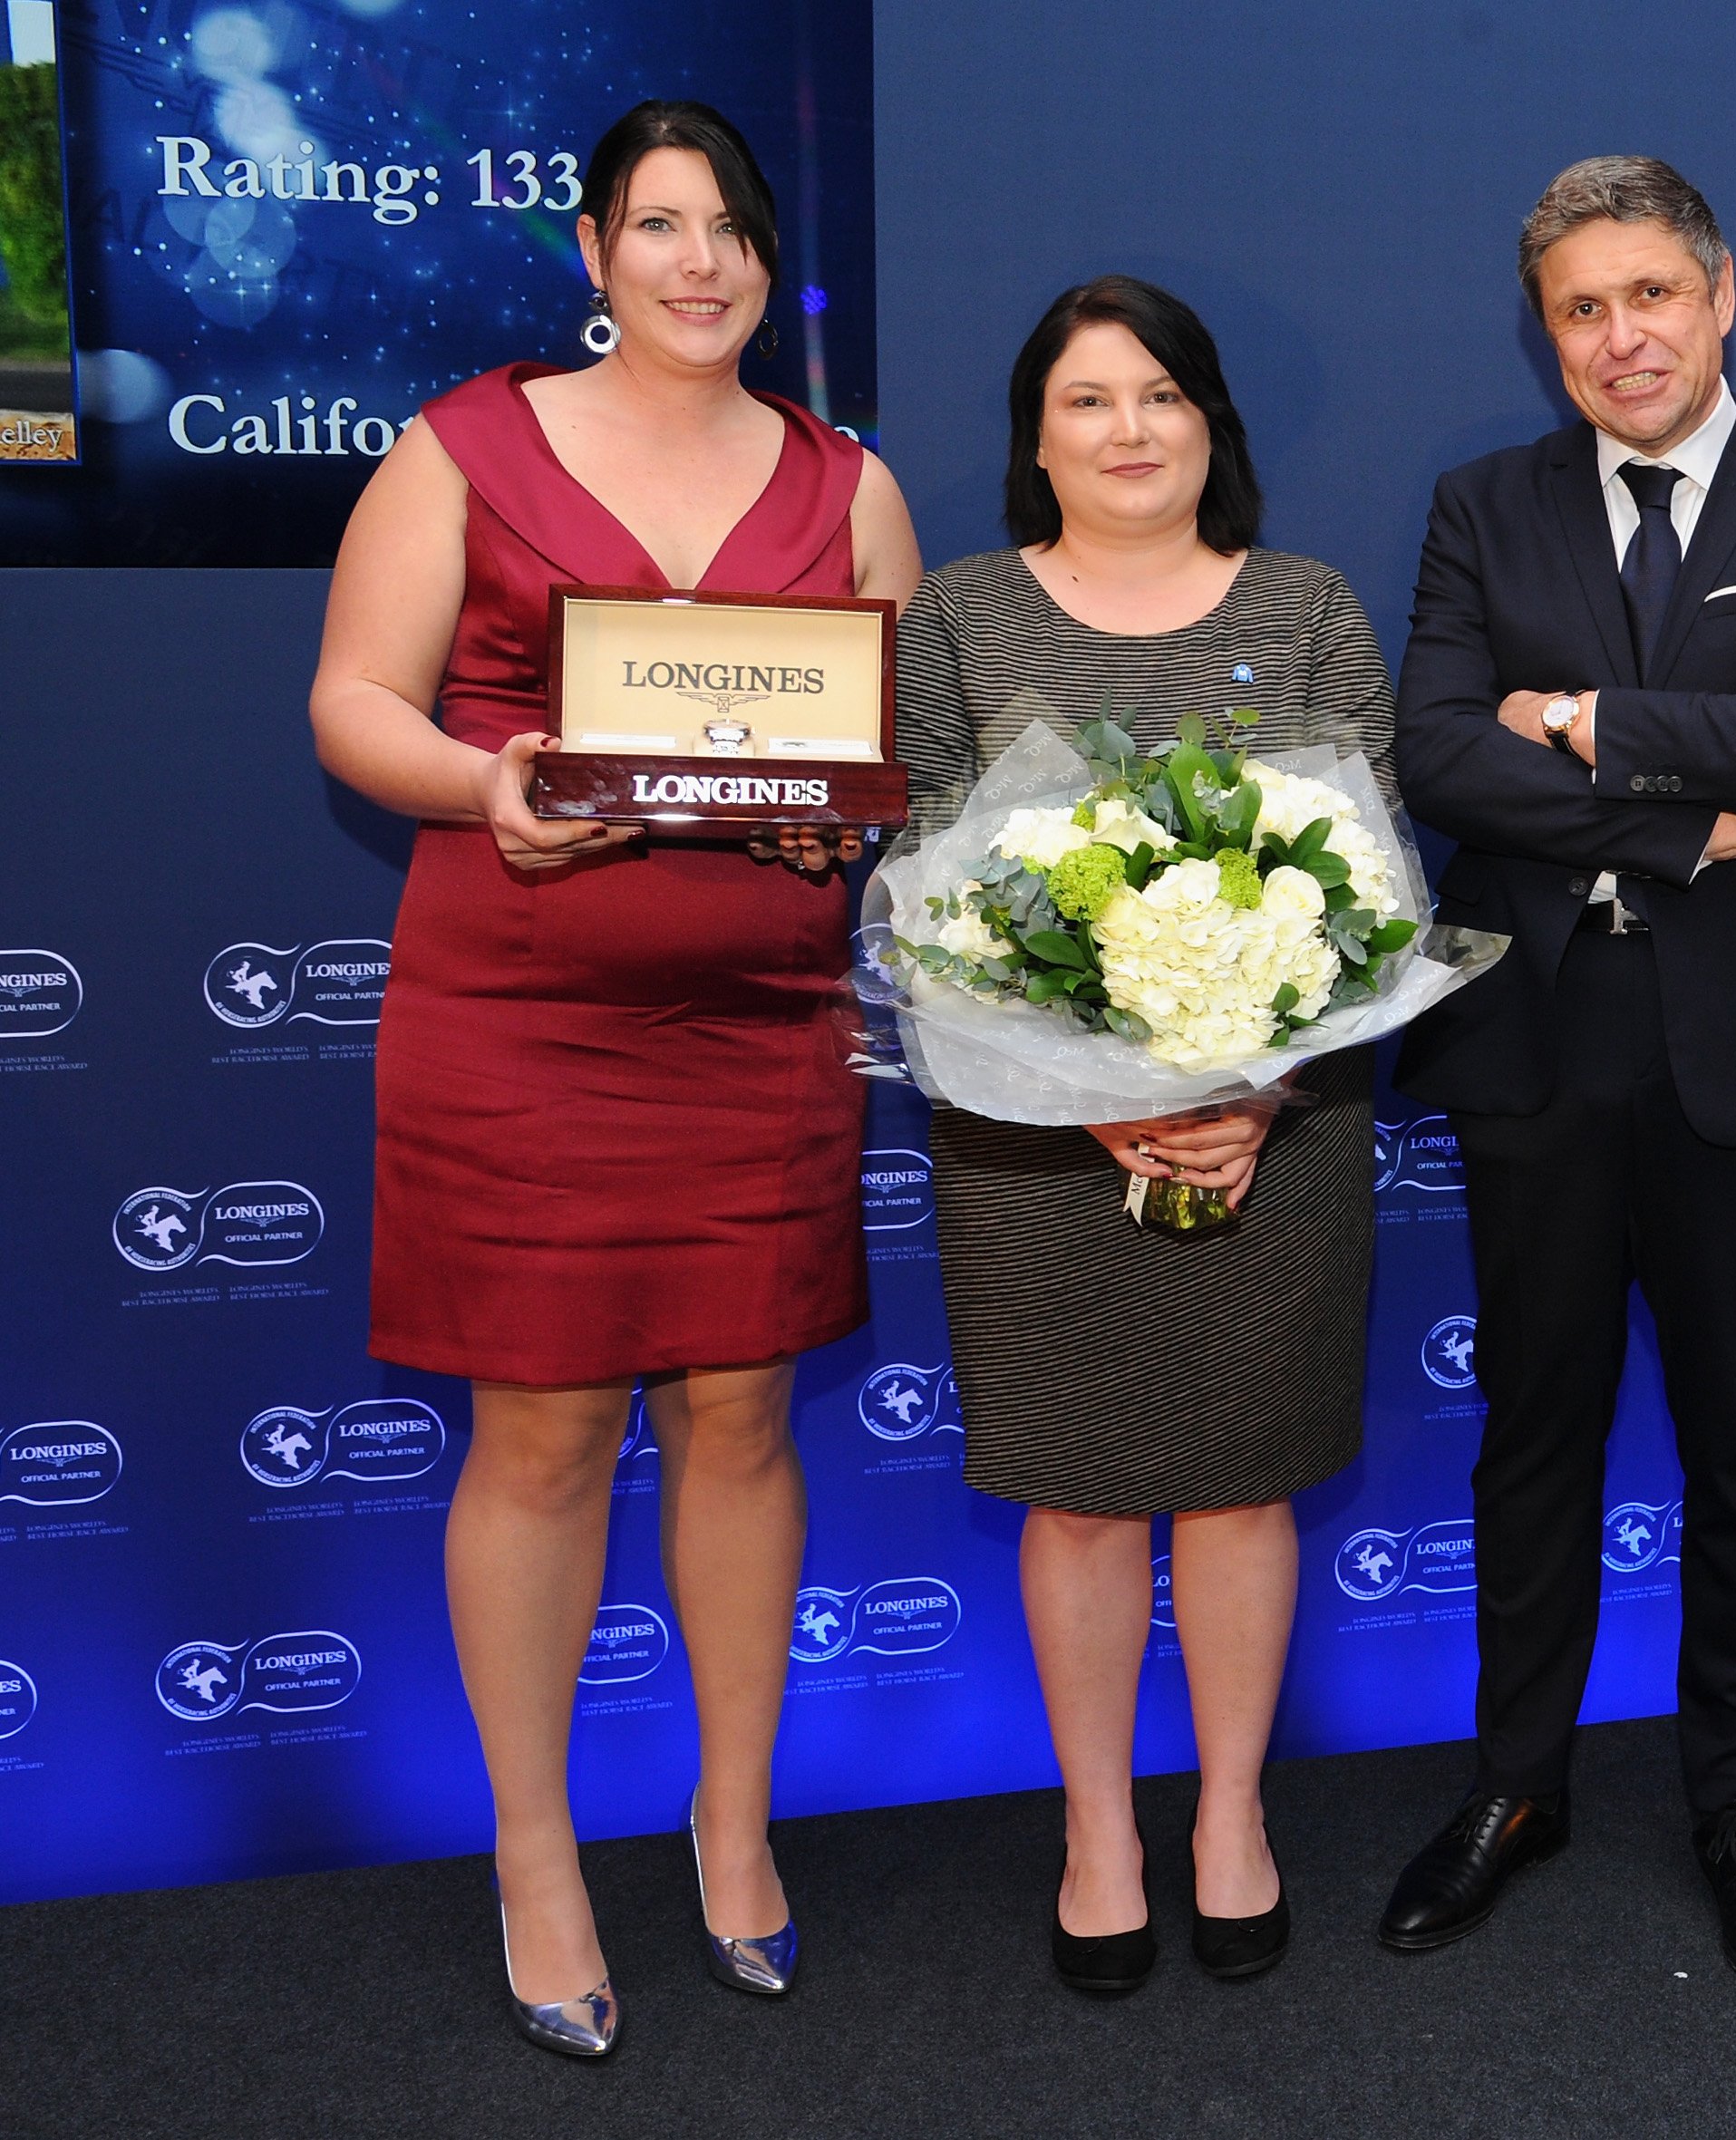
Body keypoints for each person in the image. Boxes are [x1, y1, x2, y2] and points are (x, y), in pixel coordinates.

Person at [308, 101, 920, 2056]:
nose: (698, 261)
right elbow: (354, 705)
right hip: (520, 1026)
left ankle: (732, 1828)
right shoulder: (464, 445)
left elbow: (866, 756)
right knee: (546, 1436)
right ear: (591, 250)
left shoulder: (851, 485)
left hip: (758, 1030)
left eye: (731, 227)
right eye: (658, 226)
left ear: (768, 262)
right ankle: (534, 1850)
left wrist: (842, 832)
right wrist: (488, 784)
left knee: (742, 1412)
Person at [1382, 155, 1736, 1994]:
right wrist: (1709, 812)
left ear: (1720, 294)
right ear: (1548, 339)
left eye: (1647, 298)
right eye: (1579, 312)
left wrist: (1596, 725)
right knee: (1531, 1437)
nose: (1619, 339)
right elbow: (1446, 753)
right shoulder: (1482, 504)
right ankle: (1513, 1787)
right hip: (1537, 1036)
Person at [893, 276, 1396, 1996]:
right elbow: (922, 899)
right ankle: (1098, 1828)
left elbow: (1374, 892)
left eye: (1162, 394)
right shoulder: (956, 615)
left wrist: (1257, 1087)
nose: (1130, 429)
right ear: (1037, 434)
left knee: (1243, 1489)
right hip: (1038, 1145)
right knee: (1083, 1500)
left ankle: (1230, 1817)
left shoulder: (1311, 604)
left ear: (1211, 425)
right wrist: (1095, 1091)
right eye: (1090, 399)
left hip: (1281, 1130)